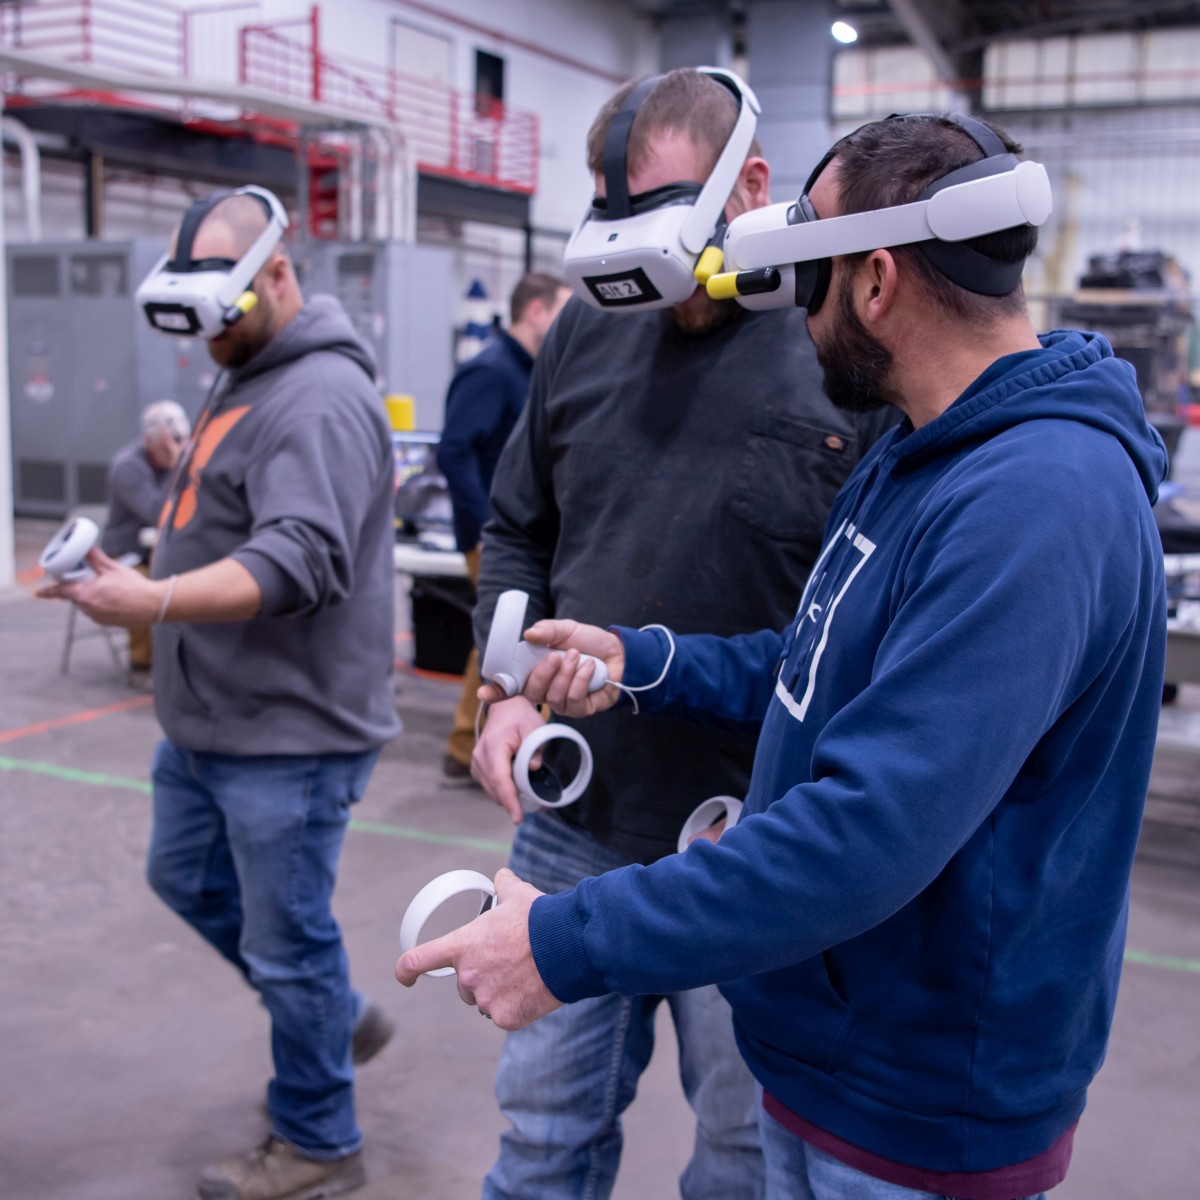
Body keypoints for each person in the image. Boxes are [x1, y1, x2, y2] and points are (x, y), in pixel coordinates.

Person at [397, 113, 1168, 1200]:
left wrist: (561, 944)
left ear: (876, 281)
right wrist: (646, 659)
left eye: (808, 281)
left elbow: (865, 833)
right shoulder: (919, 454)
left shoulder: (1034, 500)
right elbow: (820, 664)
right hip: (829, 1052)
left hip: (917, 1107)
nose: (798, 321)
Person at [462, 69, 895, 1200]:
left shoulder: (843, 345)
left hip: (754, 837)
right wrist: (505, 688)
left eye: (669, 224)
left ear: (750, 186)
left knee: (744, 1158)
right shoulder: (584, 333)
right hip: (576, 813)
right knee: (541, 1137)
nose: (645, 272)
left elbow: (870, 620)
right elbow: (516, 529)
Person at [40, 189, 400, 1200]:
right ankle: (330, 1014)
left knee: (286, 944)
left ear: (278, 273)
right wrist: (139, 571)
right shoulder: (248, 369)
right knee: (187, 878)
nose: (211, 340)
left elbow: (299, 557)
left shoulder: (317, 396)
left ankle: (320, 1139)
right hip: (214, 722)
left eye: (225, 316)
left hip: (289, 733)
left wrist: (154, 600)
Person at [437, 271, 572, 781]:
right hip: (495, 534)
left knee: (502, 639)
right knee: (501, 640)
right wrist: (480, 526)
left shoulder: (531, 372)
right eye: (562, 310)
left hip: (514, 529)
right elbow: (455, 452)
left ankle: (472, 744)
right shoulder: (491, 371)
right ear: (535, 310)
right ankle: (470, 746)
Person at [100, 399, 191, 677]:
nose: (174, 451)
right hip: (127, 553)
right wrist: (179, 467)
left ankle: (185, 658)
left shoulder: (179, 458)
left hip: (163, 549)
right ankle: (142, 663)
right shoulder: (128, 466)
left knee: (200, 579)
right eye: (168, 445)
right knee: (142, 588)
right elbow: (159, 513)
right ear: (151, 441)